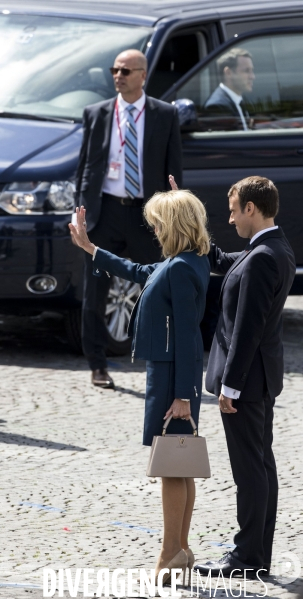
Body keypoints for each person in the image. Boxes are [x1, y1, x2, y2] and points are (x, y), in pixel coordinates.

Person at [69, 189, 210, 584]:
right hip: (170, 371)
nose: (153, 228)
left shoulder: (181, 267)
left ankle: (170, 553)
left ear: (174, 224)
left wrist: (182, 394)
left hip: (171, 374)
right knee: (179, 463)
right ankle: (180, 548)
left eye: (158, 222)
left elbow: (185, 332)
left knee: (171, 465)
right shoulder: (184, 261)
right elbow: (136, 270)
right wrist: (91, 248)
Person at [193, 176, 296, 577]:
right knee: (261, 466)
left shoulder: (262, 258)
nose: (232, 218)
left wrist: (230, 386)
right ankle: (257, 555)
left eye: (234, 210)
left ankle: (247, 557)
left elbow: (247, 329)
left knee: (250, 471)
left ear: (251, 208)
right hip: (261, 380)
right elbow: (221, 259)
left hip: (247, 384)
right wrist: (187, 218)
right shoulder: (271, 247)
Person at [74, 48, 182, 389]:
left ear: (143, 75)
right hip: (105, 211)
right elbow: (85, 167)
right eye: (114, 70)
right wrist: (80, 211)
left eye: (125, 70)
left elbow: (173, 170)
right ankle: (97, 364)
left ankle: (160, 359)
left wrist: (172, 214)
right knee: (95, 291)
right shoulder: (97, 113)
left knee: (157, 287)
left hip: (146, 214)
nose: (117, 75)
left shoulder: (165, 115)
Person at [204, 48, 255, 130]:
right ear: (228, 73)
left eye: (252, 71)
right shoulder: (217, 107)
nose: (252, 76)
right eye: (246, 71)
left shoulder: (242, 101)